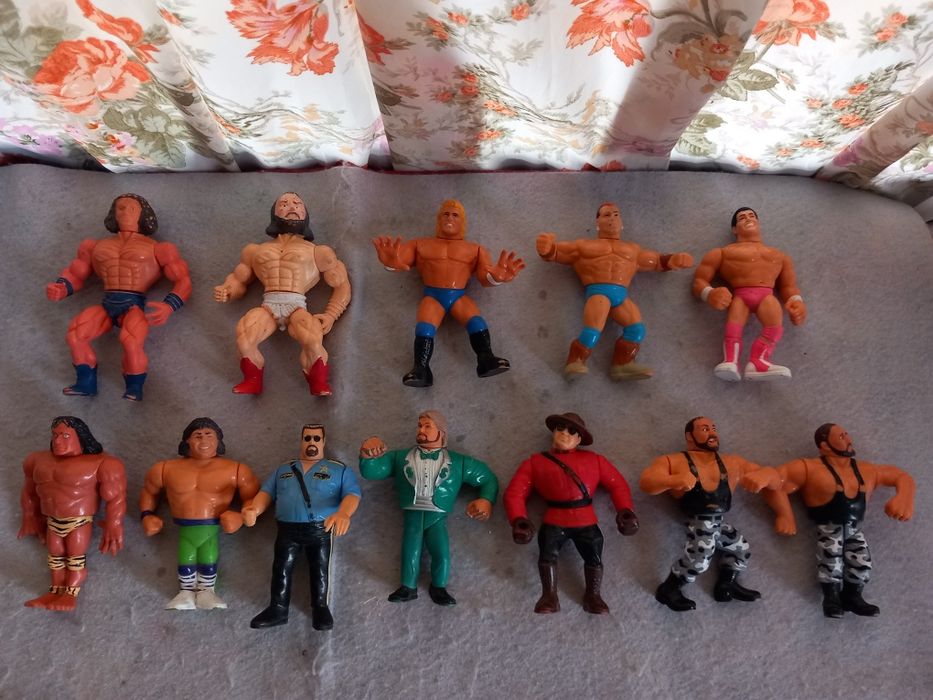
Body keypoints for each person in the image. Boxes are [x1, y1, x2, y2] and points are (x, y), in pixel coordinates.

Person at [743, 423, 915, 618]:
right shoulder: (809, 468)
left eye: (847, 435)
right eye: (841, 436)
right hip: (829, 527)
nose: (849, 440)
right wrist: (784, 513)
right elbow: (777, 481)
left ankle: (853, 596)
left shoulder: (866, 470)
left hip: (854, 528)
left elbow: (901, 476)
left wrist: (905, 497)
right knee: (830, 558)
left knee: (862, 560)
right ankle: (831, 598)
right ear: (824, 445)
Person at [46, 193, 191, 400]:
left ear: (143, 214)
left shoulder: (160, 249)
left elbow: (183, 281)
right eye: (120, 208)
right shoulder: (93, 246)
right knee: (75, 336)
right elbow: (76, 274)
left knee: (131, 343)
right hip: (107, 303)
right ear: (113, 213)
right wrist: (61, 288)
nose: (125, 212)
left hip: (133, 305)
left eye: (131, 208)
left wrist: (170, 305)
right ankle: (86, 382)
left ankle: (134, 387)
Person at [372, 199, 524, 387]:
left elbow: (485, 277)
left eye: (455, 215)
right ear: (438, 219)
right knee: (424, 328)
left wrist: (497, 277)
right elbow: (400, 260)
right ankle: (421, 369)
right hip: (432, 296)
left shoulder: (476, 249)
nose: (449, 218)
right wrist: (390, 263)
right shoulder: (420, 244)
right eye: (445, 214)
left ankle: (486, 359)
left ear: (462, 222)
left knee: (476, 322)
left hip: (458, 296)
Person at [214, 192, 351, 396]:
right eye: (284, 204)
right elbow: (239, 280)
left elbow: (342, 285)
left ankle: (318, 382)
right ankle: (252, 380)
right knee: (244, 339)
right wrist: (227, 290)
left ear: (305, 213)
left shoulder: (318, 252)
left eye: (297, 204)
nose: (292, 207)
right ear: (274, 213)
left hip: (296, 304)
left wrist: (331, 315)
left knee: (313, 341)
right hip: (268, 305)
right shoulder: (254, 251)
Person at [537, 203, 693, 380]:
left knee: (637, 329)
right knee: (593, 331)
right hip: (598, 293)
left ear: (622, 223)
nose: (612, 218)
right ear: (597, 222)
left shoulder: (633, 250)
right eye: (607, 215)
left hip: (621, 296)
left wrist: (673, 260)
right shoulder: (584, 246)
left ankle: (622, 364)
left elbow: (656, 261)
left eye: (616, 215)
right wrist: (547, 249)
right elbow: (559, 252)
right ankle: (575, 361)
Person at [639, 416, 779, 611]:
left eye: (713, 428)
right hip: (700, 522)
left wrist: (764, 476)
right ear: (690, 436)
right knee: (699, 561)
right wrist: (673, 480)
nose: (712, 433)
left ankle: (726, 585)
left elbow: (775, 478)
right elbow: (647, 482)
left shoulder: (732, 462)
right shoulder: (674, 461)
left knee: (741, 549)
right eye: (705, 429)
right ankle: (669, 589)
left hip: (717, 523)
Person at [359, 410, 498, 605]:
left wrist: (486, 499)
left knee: (441, 552)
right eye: (419, 425)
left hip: (438, 516)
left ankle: (439, 587)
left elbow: (488, 478)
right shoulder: (400, 457)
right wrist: (367, 455)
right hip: (412, 514)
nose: (421, 430)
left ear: (441, 432)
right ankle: (408, 587)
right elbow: (374, 471)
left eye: (427, 426)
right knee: (410, 550)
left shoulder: (460, 462)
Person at [504, 412, 638, 614]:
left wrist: (624, 510)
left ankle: (593, 596)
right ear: (553, 432)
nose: (565, 433)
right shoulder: (535, 462)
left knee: (594, 557)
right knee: (546, 556)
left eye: (572, 431)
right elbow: (515, 493)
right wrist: (518, 518)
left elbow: (618, 485)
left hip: (585, 520)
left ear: (579, 439)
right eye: (560, 428)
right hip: (554, 519)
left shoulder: (595, 460)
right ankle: (549, 596)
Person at [244, 424, 360, 631]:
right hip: (287, 529)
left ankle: (320, 607)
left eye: (316, 438)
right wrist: (254, 509)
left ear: (323, 442)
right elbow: (266, 493)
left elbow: (352, 494)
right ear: (301, 441)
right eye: (307, 438)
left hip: (320, 529)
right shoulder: (283, 470)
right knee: (281, 568)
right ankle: (278, 608)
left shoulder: (338, 469)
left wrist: (344, 513)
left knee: (320, 568)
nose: (311, 443)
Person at [140, 418, 260, 610]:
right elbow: (149, 491)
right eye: (197, 435)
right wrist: (146, 515)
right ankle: (186, 591)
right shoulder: (165, 469)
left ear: (218, 440)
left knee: (207, 554)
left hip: (212, 526)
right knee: (187, 553)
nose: (203, 440)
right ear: (187, 441)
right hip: (184, 525)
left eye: (209, 435)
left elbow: (253, 497)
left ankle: (207, 590)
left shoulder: (236, 470)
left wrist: (241, 515)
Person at [18, 416, 127, 611]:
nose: (58, 441)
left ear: (81, 437)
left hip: (79, 521)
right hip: (52, 520)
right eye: (55, 435)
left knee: (75, 556)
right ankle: (55, 591)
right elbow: (29, 491)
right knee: (55, 556)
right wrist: (29, 516)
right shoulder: (36, 460)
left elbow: (116, 497)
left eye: (65, 436)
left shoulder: (102, 463)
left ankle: (70, 594)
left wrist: (114, 523)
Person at [692, 207, 806, 381]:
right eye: (742, 218)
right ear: (734, 229)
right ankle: (730, 361)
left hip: (766, 297)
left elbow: (788, 286)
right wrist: (710, 294)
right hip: (741, 297)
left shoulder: (779, 256)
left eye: (752, 216)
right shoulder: (722, 253)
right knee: (733, 329)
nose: (748, 219)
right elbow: (699, 282)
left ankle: (758, 362)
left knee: (775, 327)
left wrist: (796, 301)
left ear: (758, 223)